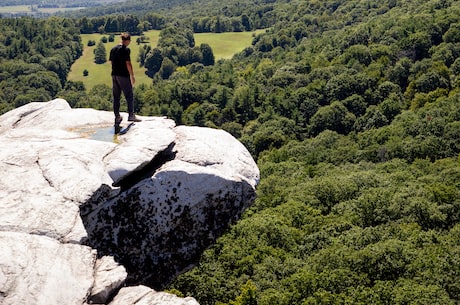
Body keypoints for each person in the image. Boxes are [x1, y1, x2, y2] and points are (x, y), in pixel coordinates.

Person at [109, 32, 141, 124]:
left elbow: (111, 62)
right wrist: (132, 75)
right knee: (129, 95)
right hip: (123, 75)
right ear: (127, 41)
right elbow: (128, 63)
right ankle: (131, 115)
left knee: (116, 96)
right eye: (129, 41)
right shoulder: (126, 50)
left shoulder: (113, 49)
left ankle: (117, 117)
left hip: (114, 75)